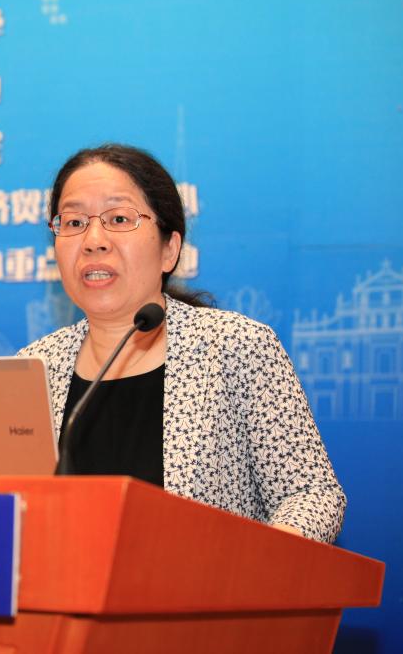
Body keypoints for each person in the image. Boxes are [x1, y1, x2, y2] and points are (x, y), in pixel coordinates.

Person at [18, 143, 345, 543]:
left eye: (119, 218)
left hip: (212, 582)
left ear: (169, 250)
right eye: (73, 222)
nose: (93, 240)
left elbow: (312, 495)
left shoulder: (234, 347)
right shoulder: (35, 366)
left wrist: (259, 562)